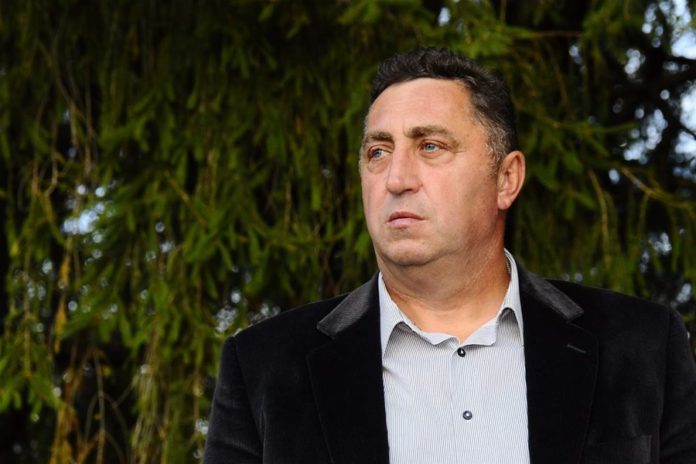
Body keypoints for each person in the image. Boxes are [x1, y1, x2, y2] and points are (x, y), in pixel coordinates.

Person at [203, 47, 696, 464]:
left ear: (506, 179)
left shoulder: (643, 347)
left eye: (431, 146)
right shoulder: (264, 368)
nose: (396, 178)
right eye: (378, 152)